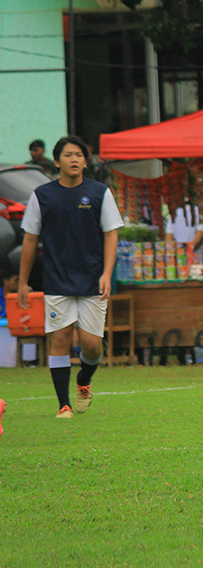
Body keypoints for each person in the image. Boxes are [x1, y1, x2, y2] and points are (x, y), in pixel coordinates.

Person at [18, 135, 124, 418]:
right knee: (61, 338)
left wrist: (106, 273)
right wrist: (23, 281)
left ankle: (84, 380)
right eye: (68, 155)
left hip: (92, 279)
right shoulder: (43, 195)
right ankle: (63, 404)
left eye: (79, 154)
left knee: (91, 345)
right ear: (57, 161)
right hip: (57, 279)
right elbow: (30, 239)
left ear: (85, 161)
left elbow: (111, 233)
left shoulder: (100, 192)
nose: (74, 159)